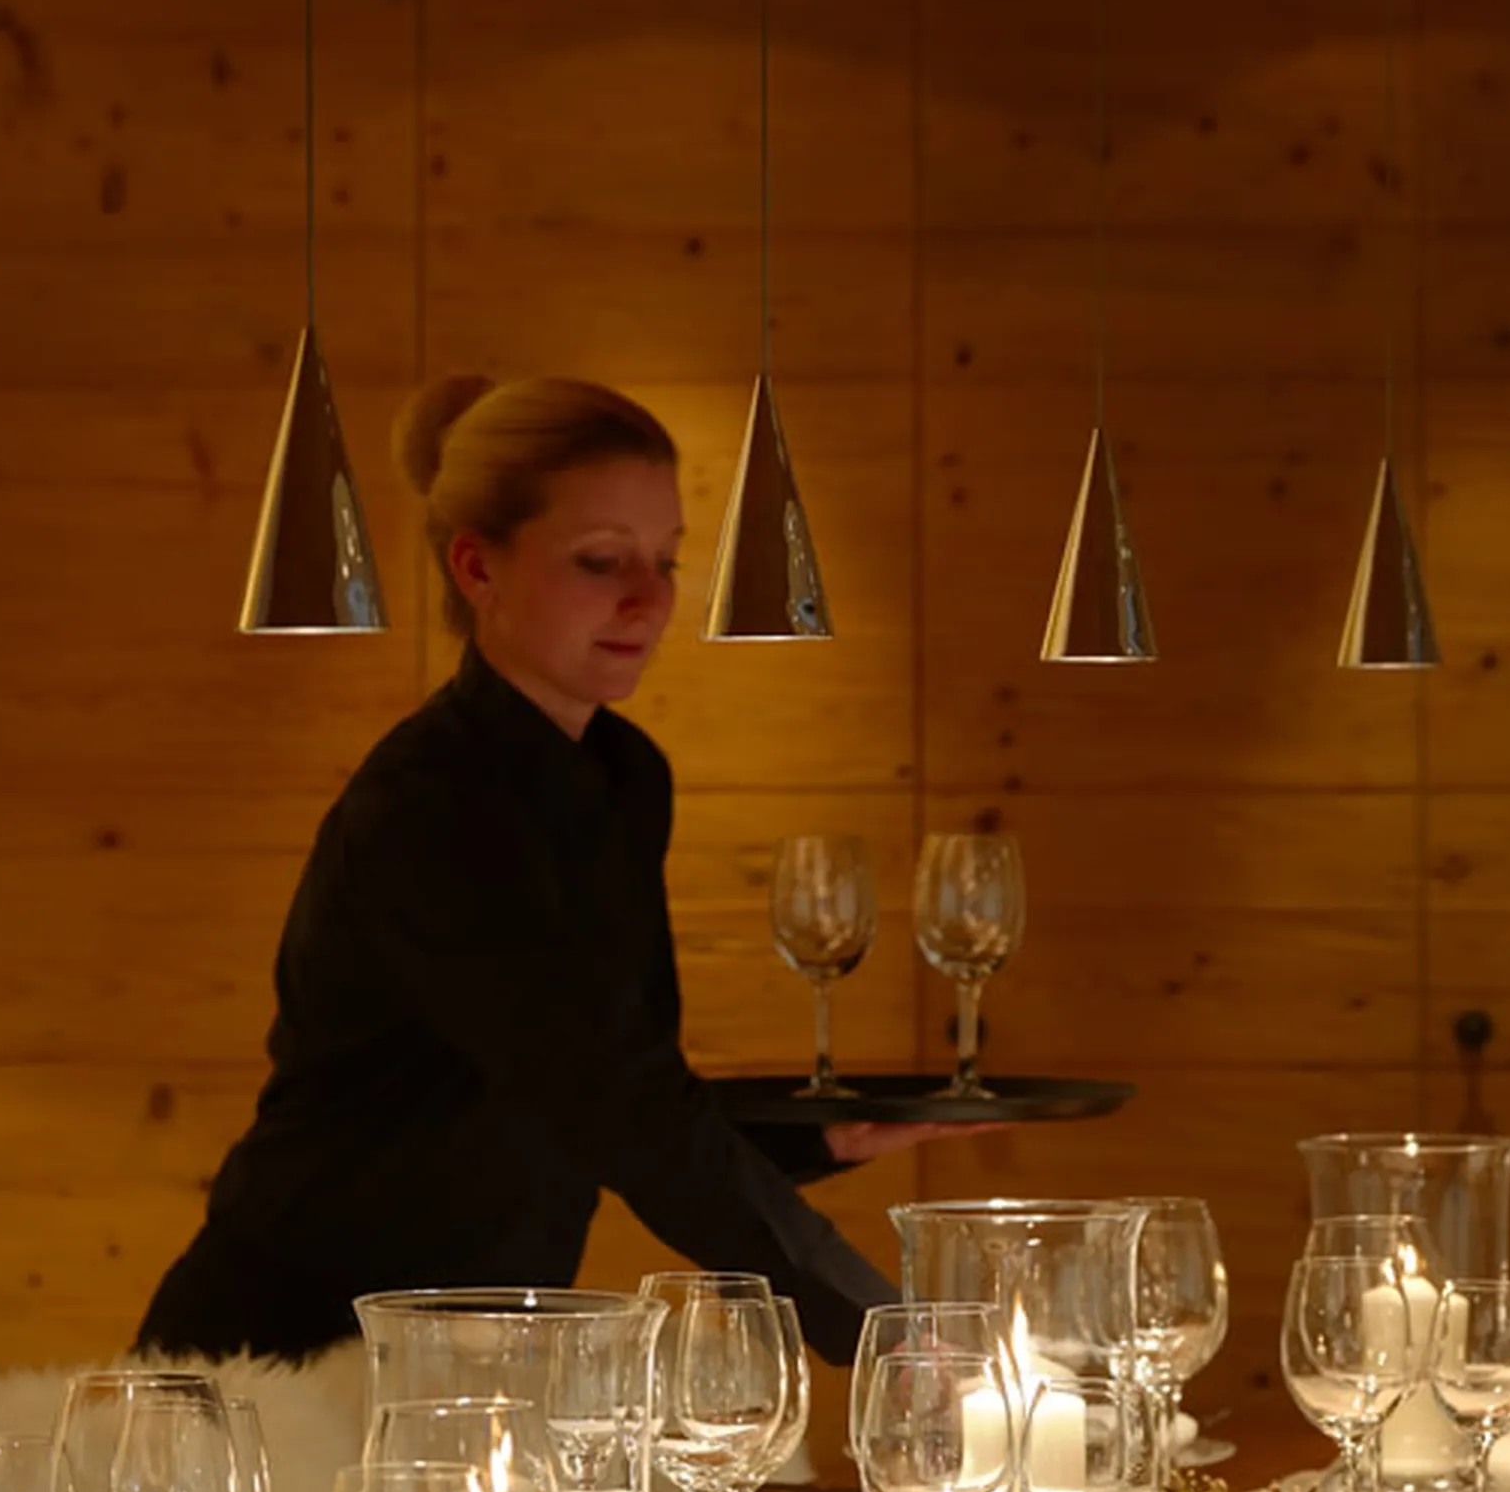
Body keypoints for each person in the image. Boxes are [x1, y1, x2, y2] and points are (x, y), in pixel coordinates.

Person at [134, 371, 930, 1371]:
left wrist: (818, 1139)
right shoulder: (433, 804)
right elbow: (616, 1105)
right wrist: (885, 1332)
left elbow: (577, 1097)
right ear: (477, 567)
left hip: (478, 1355)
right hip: (290, 1354)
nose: (649, 600)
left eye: (667, 561)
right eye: (601, 562)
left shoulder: (625, 775)